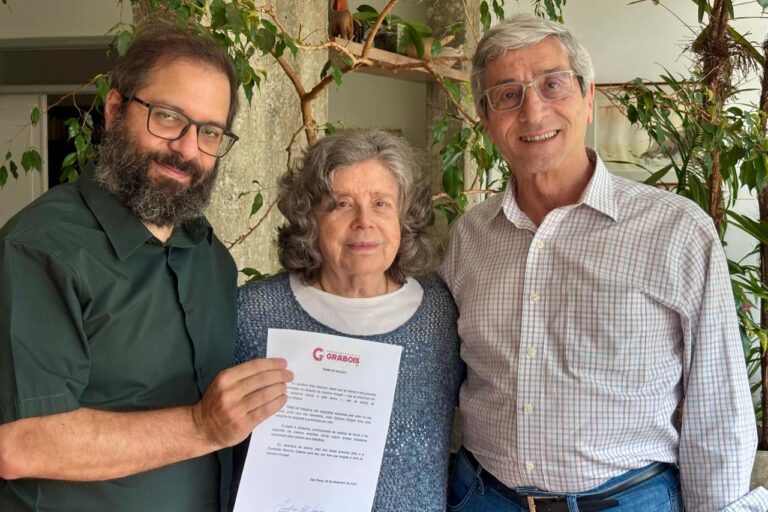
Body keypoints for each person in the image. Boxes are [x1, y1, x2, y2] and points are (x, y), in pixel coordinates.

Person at [440, 13, 758, 512]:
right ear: (486, 118)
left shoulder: (676, 230)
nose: (533, 111)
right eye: (508, 94)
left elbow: (717, 408)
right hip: (483, 497)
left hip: (629, 501)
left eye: (553, 85)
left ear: (588, 99)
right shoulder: (469, 237)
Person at [0, 21, 293, 512]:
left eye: (209, 132)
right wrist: (201, 426)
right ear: (115, 109)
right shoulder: (41, 248)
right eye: (168, 117)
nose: (187, 148)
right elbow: (20, 443)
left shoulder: (210, 258)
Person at [233, 129, 464, 511]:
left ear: (404, 217)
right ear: (309, 218)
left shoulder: (441, 316)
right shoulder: (253, 314)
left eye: (381, 203)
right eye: (341, 204)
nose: (363, 221)